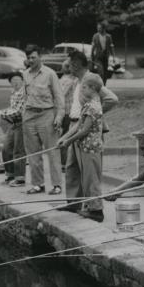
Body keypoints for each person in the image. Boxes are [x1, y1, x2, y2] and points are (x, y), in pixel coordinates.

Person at [58, 50, 118, 216]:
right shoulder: (76, 81)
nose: (67, 65)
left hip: (86, 129)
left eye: (69, 62)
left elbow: (112, 99)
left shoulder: (90, 80)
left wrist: (94, 114)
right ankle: (74, 203)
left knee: (90, 171)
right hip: (75, 125)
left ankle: (95, 208)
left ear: (77, 63)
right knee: (72, 167)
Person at [56, 75, 106, 222]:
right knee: (86, 179)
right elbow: (78, 125)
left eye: (84, 87)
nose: (82, 90)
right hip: (84, 147)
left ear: (92, 88)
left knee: (92, 179)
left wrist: (68, 142)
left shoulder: (93, 106)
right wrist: (63, 138)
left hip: (91, 149)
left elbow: (84, 130)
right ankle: (89, 207)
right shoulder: (89, 104)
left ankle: (97, 211)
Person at [21, 45, 65, 195]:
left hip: (46, 115)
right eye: (28, 58)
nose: (31, 60)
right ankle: (38, 184)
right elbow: (24, 96)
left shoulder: (50, 74)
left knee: (52, 152)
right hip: (29, 116)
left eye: (33, 57)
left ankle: (57, 185)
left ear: (40, 57)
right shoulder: (25, 74)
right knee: (33, 153)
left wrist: (59, 117)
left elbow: (59, 97)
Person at [0, 72, 27, 186]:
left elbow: (18, 111)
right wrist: (3, 113)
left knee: (18, 151)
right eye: (13, 80)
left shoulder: (24, 92)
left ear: (22, 81)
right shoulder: (13, 92)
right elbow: (11, 109)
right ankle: (10, 175)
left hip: (22, 124)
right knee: (6, 149)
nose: (15, 82)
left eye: (17, 79)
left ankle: (20, 178)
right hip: (13, 124)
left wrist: (0, 113)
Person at [90, 20, 115, 85]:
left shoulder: (109, 37)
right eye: (97, 28)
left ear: (103, 28)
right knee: (101, 72)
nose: (98, 29)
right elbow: (93, 47)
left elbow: (111, 47)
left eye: (100, 28)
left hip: (105, 57)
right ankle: (100, 85)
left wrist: (113, 57)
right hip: (98, 57)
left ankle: (104, 85)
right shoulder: (95, 36)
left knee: (105, 73)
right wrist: (92, 56)